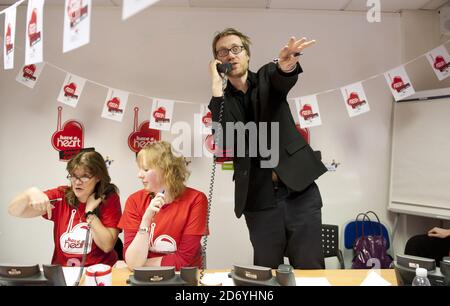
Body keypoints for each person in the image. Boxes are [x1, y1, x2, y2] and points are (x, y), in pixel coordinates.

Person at [208, 28, 328, 269]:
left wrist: (286, 66)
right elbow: (225, 141)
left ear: (247, 55)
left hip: (299, 192)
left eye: (236, 49)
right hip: (258, 198)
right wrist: (215, 87)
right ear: (217, 61)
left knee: (309, 268)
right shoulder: (223, 100)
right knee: (265, 271)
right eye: (223, 52)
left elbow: (282, 78)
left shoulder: (265, 77)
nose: (230, 55)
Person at [8, 150, 122, 267]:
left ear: (98, 177)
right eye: (73, 176)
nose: (77, 182)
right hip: (64, 272)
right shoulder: (61, 196)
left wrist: (89, 212)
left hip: (99, 273)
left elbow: (107, 245)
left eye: (84, 177)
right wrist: (29, 193)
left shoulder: (108, 198)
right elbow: (14, 211)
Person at [118, 141, 208, 271]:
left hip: (181, 278)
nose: (139, 175)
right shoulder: (134, 201)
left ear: (166, 170)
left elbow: (183, 260)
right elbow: (132, 260)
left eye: (146, 169)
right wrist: (146, 220)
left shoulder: (196, 199)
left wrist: (140, 264)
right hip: (144, 278)